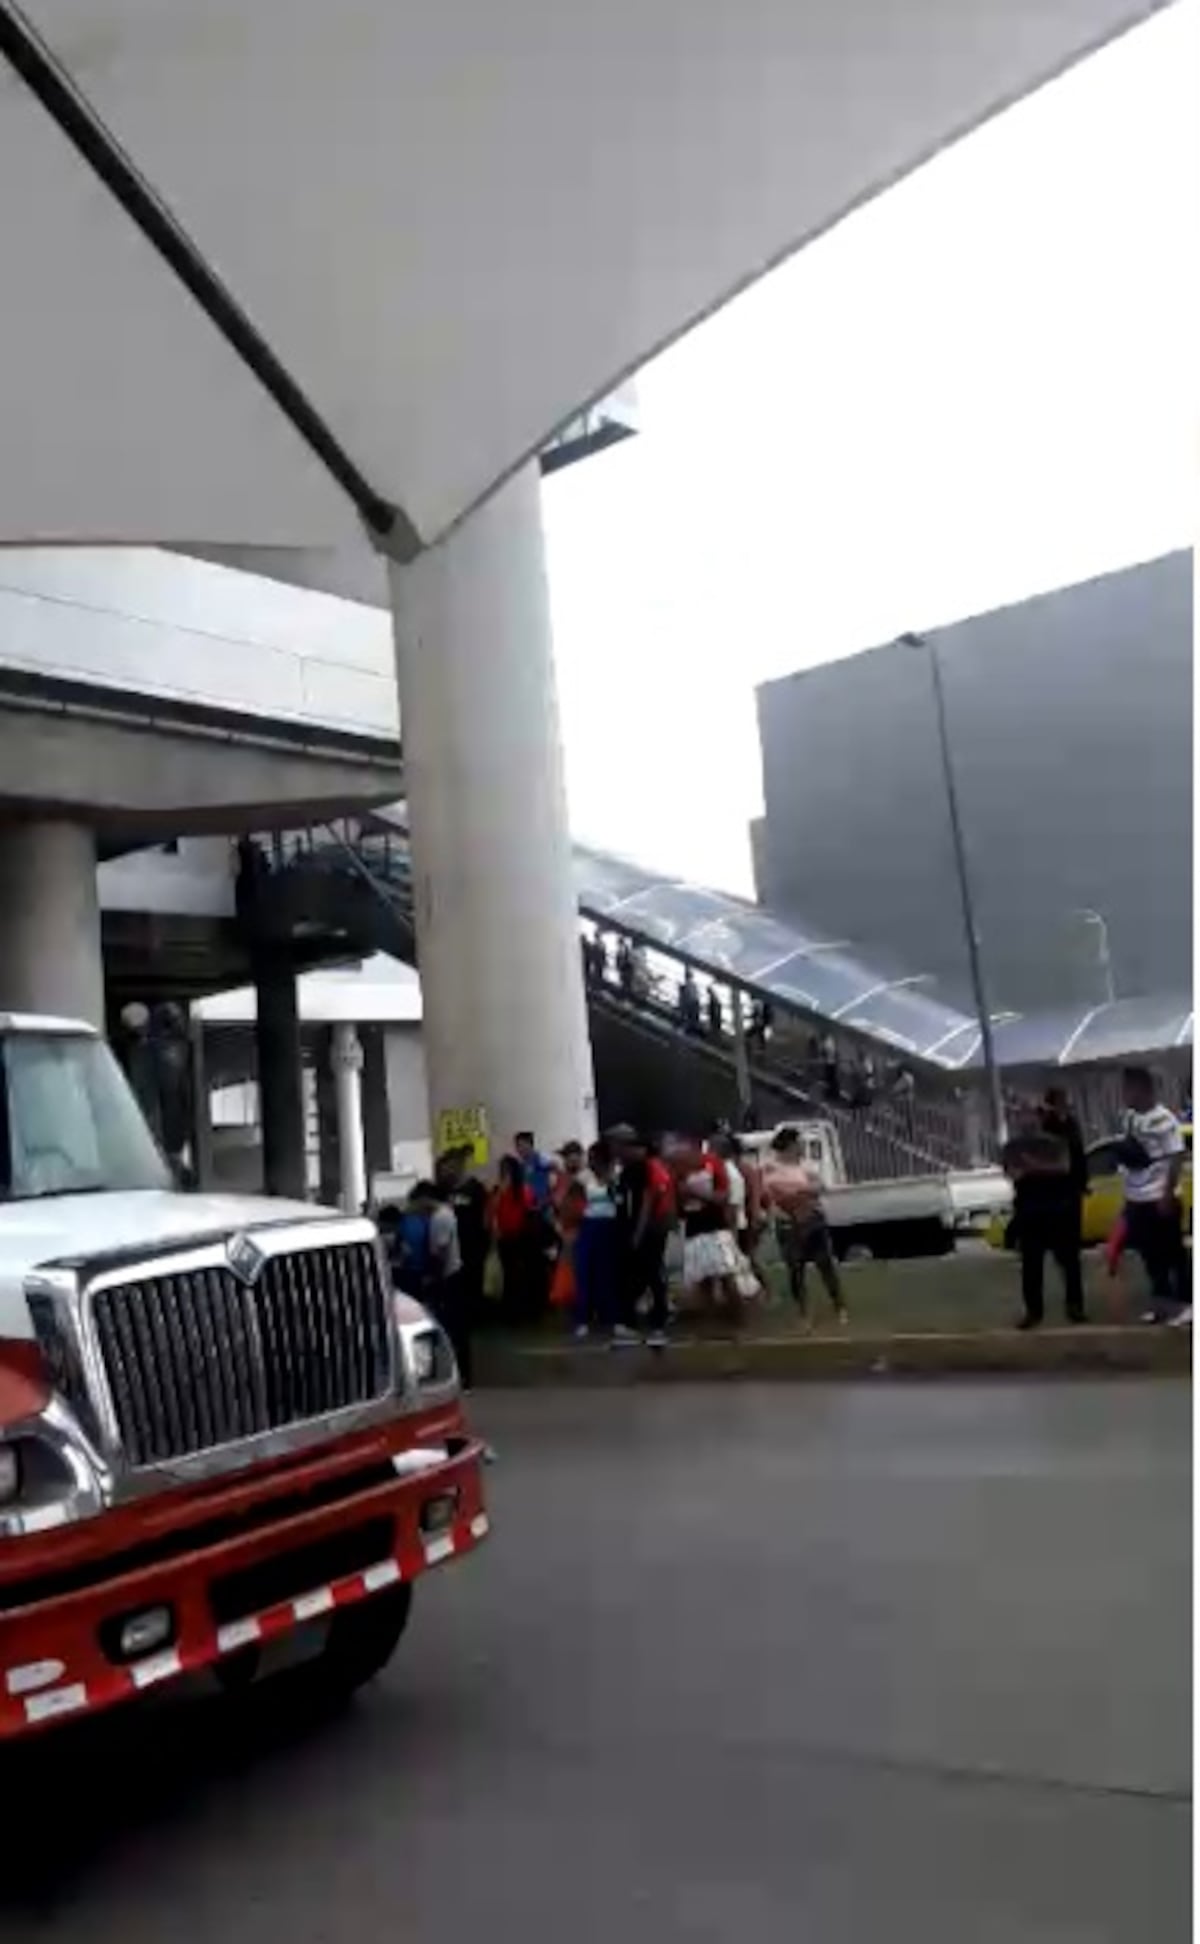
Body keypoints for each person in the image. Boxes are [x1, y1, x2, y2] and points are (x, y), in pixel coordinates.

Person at [1117, 1066, 1189, 1324]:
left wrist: (1167, 1194)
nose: (1124, 1094)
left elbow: (1176, 1156)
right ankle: (1161, 1303)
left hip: (1159, 1196)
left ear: (1143, 1089)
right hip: (1136, 1197)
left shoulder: (1164, 1119)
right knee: (1150, 1256)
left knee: (1173, 1253)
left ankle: (1186, 1303)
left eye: (1128, 1088)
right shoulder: (1129, 1117)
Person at [1001, 1114, 1086, 1330]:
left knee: (1069, 1262)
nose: (1027, 1122)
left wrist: (1031, 1165)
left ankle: (1075, 1307)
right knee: (1031, 1265)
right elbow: (1014, 1173)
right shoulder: (1013, 1147)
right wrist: (1044, 1167)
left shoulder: (1055, 1143)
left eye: (1031, 1117)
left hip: (1057, 1209)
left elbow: (1064, 1167)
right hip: (1029, 1211)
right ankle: (1033, 1311)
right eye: (1023, 1116)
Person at [761, 1125, 847, 1326]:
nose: (802, 1147)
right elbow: (770, 1192)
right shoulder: (770, 1167)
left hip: (813, 1219)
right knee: (795, 1268)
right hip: (788, 1222)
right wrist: (800, 1193)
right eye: (799, 1143)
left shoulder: (806, 1166)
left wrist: (801, 1192)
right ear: (789, 1145)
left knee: (825, 1264)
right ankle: (804, 1312)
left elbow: (820, 1187)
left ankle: (839, 1306)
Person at [611, 1126, 675, 1346]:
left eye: (618, 1145)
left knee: (649, 1274)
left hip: (648, 1231)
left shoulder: (645, 1168)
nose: (616, 1150)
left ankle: (656, 1321)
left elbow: (648, 1202)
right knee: (638, 1275)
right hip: (634, 1230)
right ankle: (636, 1319)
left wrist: (637, 1233)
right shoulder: (628, 1170)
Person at [406, 1179, 472, 1386]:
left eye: (416, 1203)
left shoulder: (440, 1217)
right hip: (451, 1275)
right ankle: (461, 1374)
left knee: (452, 1328)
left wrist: (432, 1279)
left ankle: (460, 1374)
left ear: (425, 1199)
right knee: (454, 1327)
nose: (415, 1209)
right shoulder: (443, 1214)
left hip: (449, 1277)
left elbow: (439, 1252)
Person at [673, 1136, 741, 1321]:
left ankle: (737, 1318)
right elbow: (678, 1203)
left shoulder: (713, 1164)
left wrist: (695, 1192)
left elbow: (723, 1197)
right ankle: (710, 1320)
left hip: (716, 1226)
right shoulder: (679, 1169)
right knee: (703, 1279)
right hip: (694, 1228)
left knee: (726, 1274)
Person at [438, 1146, 490, 1339]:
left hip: (473, 1243)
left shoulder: (475, 1188)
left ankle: (476, 1318)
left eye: (454, 1166)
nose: (451, 1170)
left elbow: (485, 1216)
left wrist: (486, 1240)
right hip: (454, 1244)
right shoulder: (445, 1190)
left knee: (474, 1280)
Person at [573, 1138, 621, 1339]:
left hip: (609, 1226)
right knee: (584, 1272)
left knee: (607, 1275)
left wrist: (611, 1183)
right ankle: (582, 1319)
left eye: (594, 1158)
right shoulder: (583, 1177)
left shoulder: (616, 1174)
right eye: (589, 1158)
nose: (590, 1161)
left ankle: (611, 1318)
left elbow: (620, 1200)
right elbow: (573, 1201)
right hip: (589, 1225)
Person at [490, 1154, 540, 1325]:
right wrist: (500, 1192)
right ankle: (511, 1311)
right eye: (502, 1170)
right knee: (509, 1275)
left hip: (522, 1238)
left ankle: (523, 1310)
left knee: (521, 1274)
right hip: (505, 1237)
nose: (504, 1173)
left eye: (507, 1169)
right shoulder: (499, 1190)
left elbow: (529, 1210)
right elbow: (493, 1211)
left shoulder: (523, 1190)